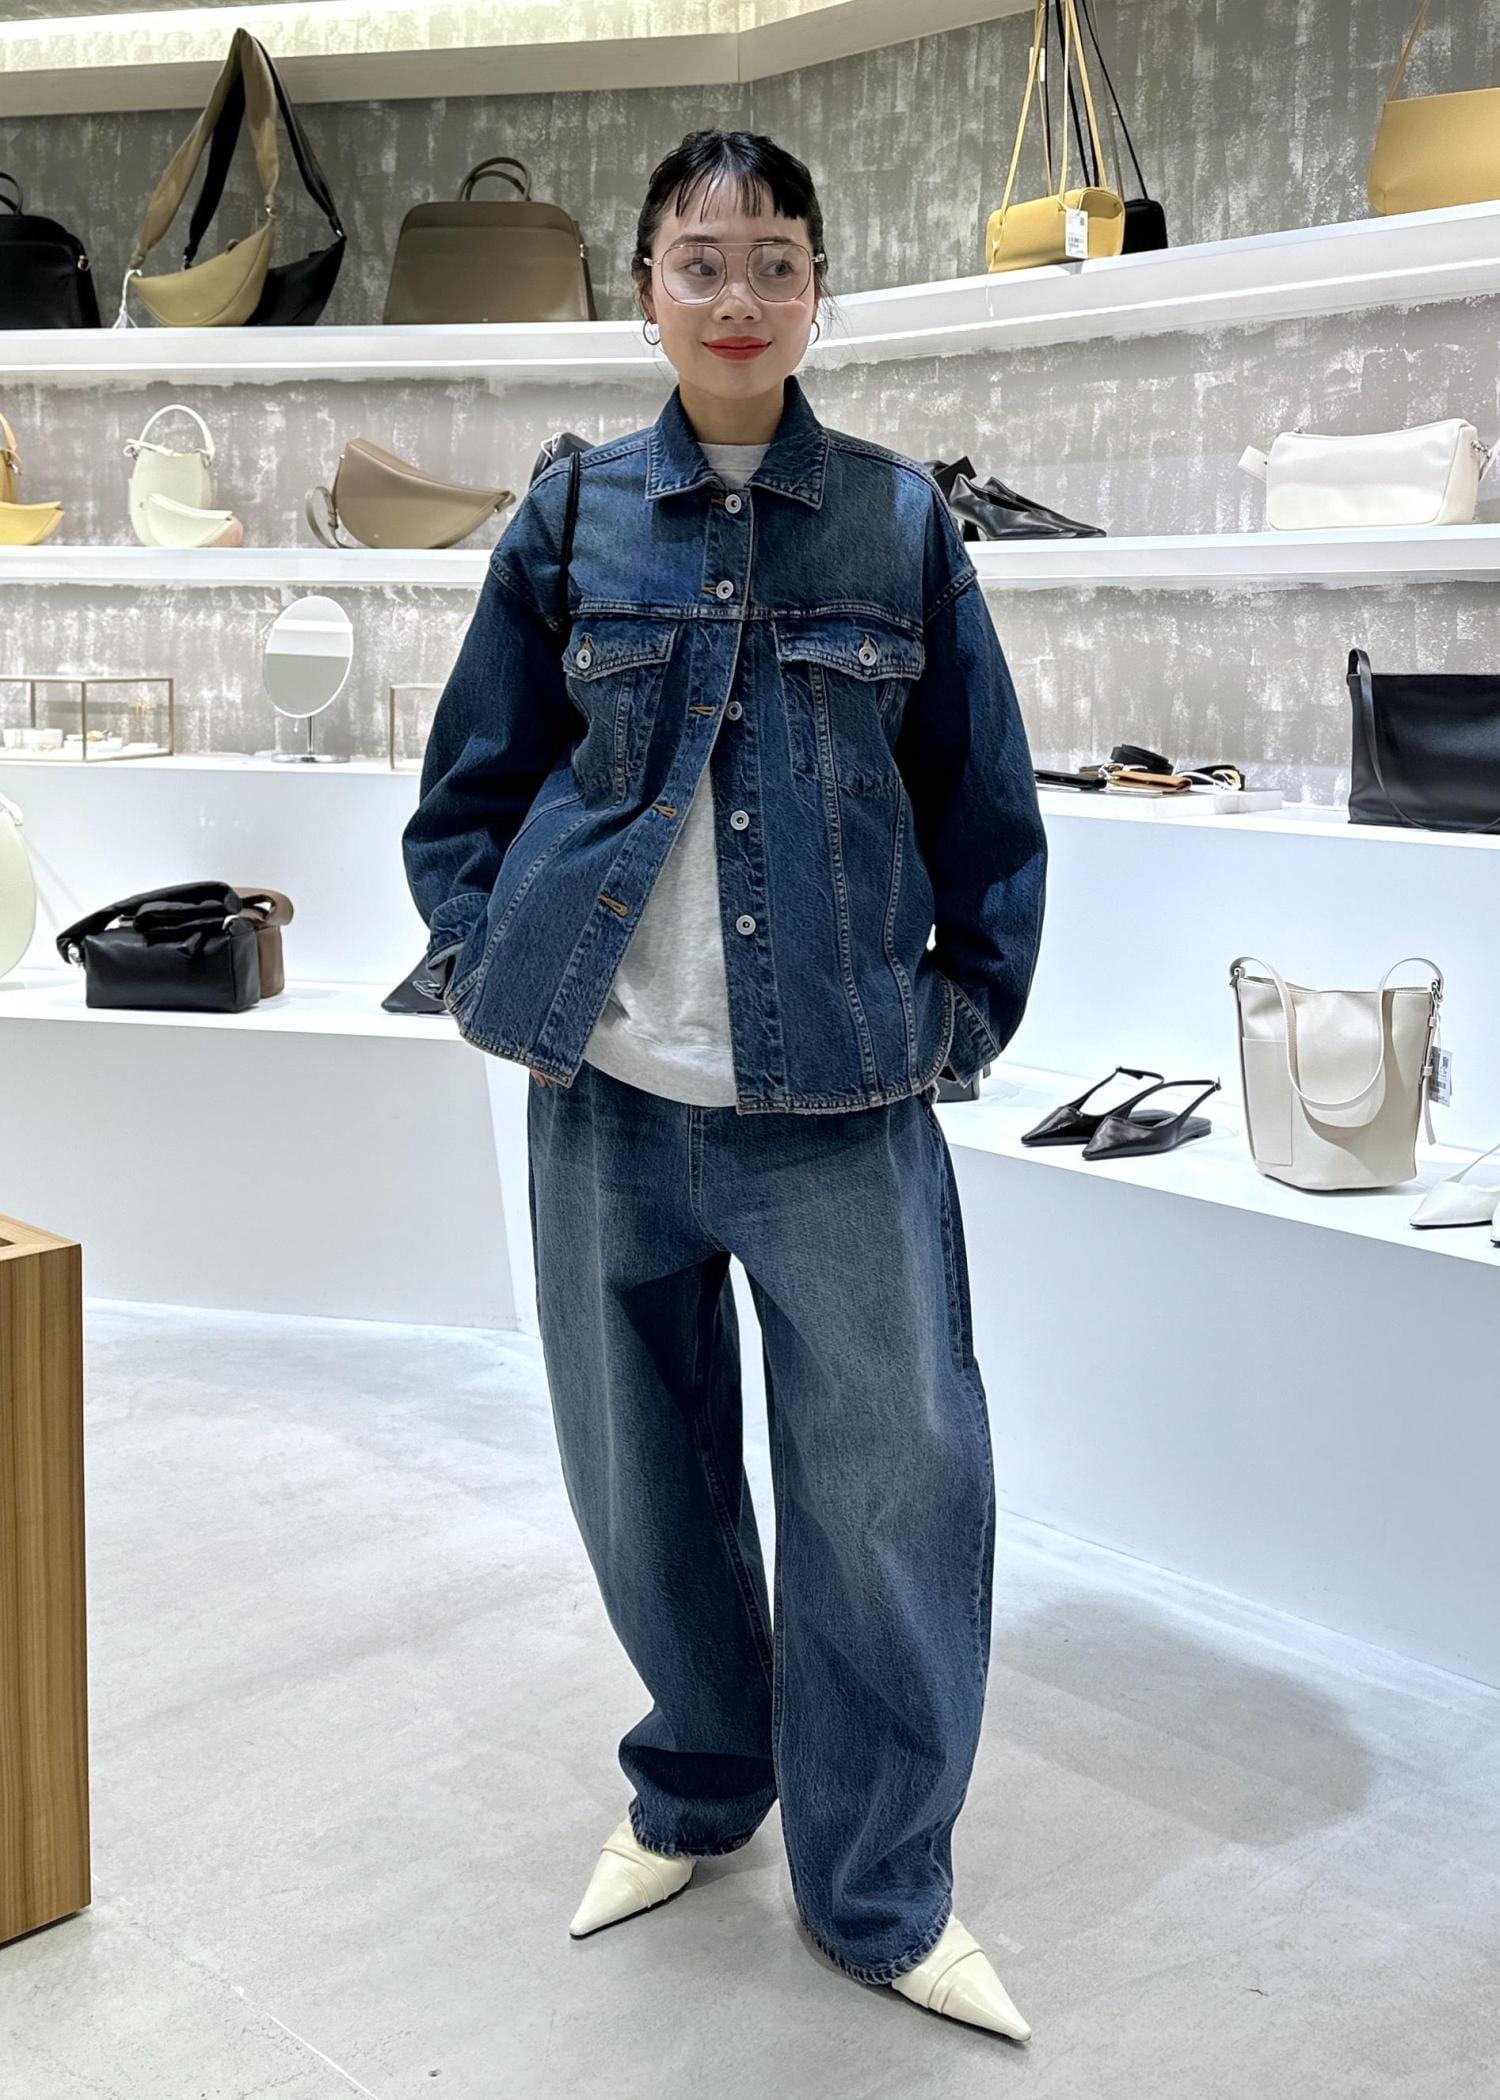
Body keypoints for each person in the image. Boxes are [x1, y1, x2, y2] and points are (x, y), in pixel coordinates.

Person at [401, 126, 1047, 2041]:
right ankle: (695, 1788)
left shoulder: (901, 526)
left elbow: (986, 805)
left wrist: (959, 1021)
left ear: (820, 289)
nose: (739, 295)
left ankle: (880, 1887)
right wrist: (488, 960)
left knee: (893, 1488)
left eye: (776, 259)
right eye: (701, 259)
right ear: (647, 290)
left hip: (839, 1099)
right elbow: (472, 784)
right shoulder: (571, 517)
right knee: (642, 1482)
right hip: (606, 1090)